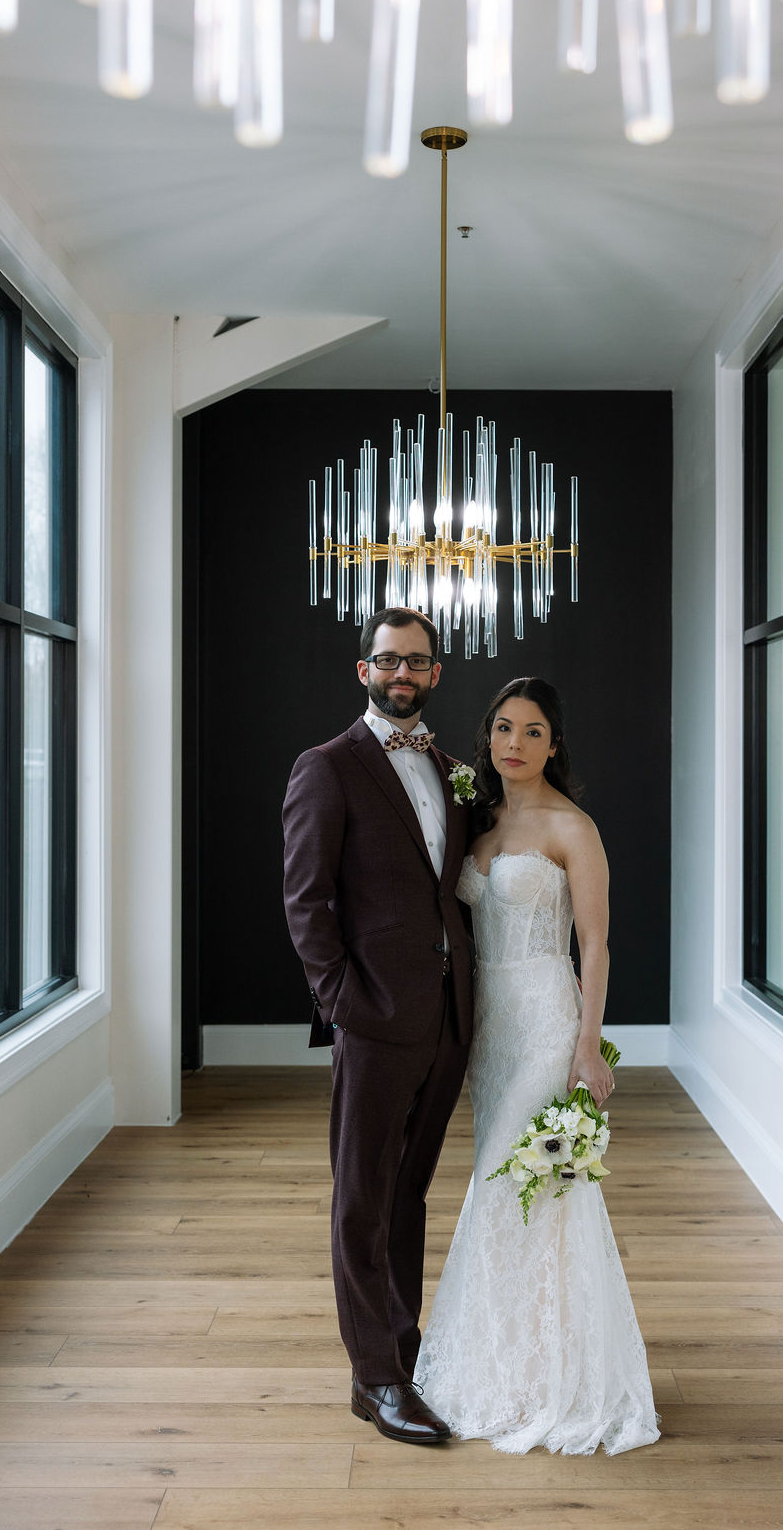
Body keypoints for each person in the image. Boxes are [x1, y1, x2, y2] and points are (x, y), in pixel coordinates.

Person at [414, 676, 660, 1456]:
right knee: (529, 1196)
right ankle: (524, 1357)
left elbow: (597, 942)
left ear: (555, 744)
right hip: (491, 1032)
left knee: (509, 1181)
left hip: (549, 1019)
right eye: (502, 728)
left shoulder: (571, 826)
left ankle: (547, 1378)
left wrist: (588, 1043)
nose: (513, 743)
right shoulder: (478, 823)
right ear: (487, 738)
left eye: (531, 731)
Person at [282, 607, 474, 1446]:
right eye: (389, 660)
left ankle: (403, 1343)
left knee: (409, 1193)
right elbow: (306, 901)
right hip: (374, 1017)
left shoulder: (453, 767)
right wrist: (343, 1004)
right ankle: (375, 1379)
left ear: (435, 674)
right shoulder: (326, 767)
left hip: (449, 1018)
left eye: (418, 662)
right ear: (364, 670)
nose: (404, 674)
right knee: (361, 1199)